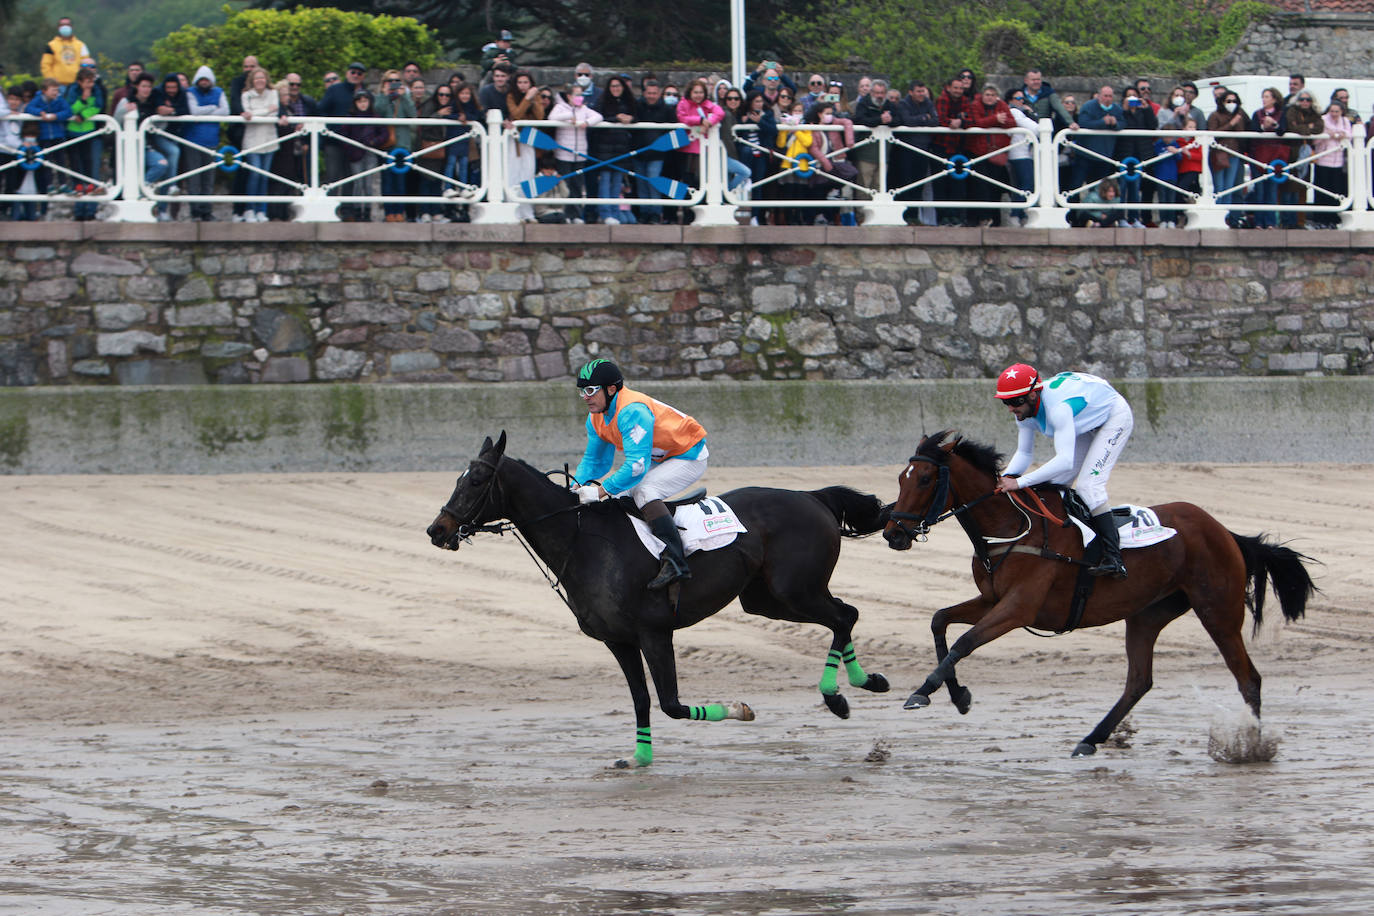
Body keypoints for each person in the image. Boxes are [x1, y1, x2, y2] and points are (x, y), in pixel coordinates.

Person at [570, 359, 709, 589]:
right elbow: (595, 461)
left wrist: (600, 491)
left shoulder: (631, 411)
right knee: (621, 496)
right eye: (582, 391)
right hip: (660, 457)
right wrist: (575, 485)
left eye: (591, 390)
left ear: (611, 389)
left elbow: (636, 466)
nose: (585, 396)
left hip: (688, 455)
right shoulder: (596, 417)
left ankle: (676, 561)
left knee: (644, 490)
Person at [994, 364, 1133, 579]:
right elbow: (1024, 453)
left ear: (1032, 395)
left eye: (1014, 402)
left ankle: (1114, 559)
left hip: (1113, 416)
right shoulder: (1023, 412)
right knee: (1052, 486)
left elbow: (1065, 461)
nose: (1011, 408)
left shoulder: (1058, 410)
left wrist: (1021, 483)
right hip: (1083, 421)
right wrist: (1007, 477)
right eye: (1006, 402)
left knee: (1089, 487)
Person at [548, 82, 603, 222]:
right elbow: (551, 117)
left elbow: (598, 116)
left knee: (577, 185)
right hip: (564, 153)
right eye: (577, 94)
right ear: (569, 96)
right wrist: (568, 116)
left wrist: (587, 122)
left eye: (581, 95)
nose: (580, 97)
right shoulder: (560, 107)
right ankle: (565, 214)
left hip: (580, 153)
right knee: (565, 185)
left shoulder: (584, 109)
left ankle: (577, 215)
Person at [591, 75, 637, 224]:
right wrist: (616, 119)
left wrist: (631, 119)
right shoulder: (602, 101)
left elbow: (637, 116)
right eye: (612, 86)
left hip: (621, 147)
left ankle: (615, 212)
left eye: (618, 86)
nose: (615, 89)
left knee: (617, 182)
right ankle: (605, 213)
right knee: (605, 180)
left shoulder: (629, 102)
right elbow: (598, 118)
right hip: (604, 147)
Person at [184, 65, 227, 221]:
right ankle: (195, 210)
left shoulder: (219, 92)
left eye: (206, 79)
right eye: (201, 79)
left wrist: (204, 110)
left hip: (211, 141)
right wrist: (212, 108)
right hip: (193, 140)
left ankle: (206, 211)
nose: (204, 82)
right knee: (194, 177)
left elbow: (225, 111)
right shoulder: (190, 92)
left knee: (208, 178)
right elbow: (193, 111)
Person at [374, 69, 416, 222]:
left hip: (402, 145)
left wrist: (404, 96)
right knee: (387, 181)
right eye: (389, 81)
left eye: (396, 80)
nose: (393, 84)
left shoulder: (404, 98)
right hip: (386, 144)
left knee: (400, 181)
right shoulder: (380, 98)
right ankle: (388, 212)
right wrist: (385, 95)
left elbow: (413, 115)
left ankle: (400, 211)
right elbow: (377, 111)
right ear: (384, 83)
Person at [238, 66, 279, 223]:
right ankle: (250, 209)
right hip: (252, 140)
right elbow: (248, 115)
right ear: (252, 81)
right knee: (254, 174)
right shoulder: (246, 95)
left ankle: (262, 210)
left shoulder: (273, 93)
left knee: (264, 176)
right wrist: (265, 110)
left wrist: (255, 113)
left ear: (266, 79)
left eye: (262, 78)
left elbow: (274, 112)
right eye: (257, 78)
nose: (260, 81)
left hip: (269, 139)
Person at [63, 66, 105, 215]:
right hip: (73, 133)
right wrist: (83, 100)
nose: (90, 85)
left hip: (88, 132)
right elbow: (70, 108)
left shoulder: (97, 90)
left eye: (91, 82)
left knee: (88, 168)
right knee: (76, 169)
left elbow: (98, 107)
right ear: (80, 82)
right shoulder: (72, 91)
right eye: (87, 82)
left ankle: (90, 208)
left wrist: (84, 115)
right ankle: (79, 209)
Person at [1248, 87, 1289, 229]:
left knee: (1271, 190)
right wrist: (1262, 126)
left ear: (1274, 99)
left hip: (1275, 156)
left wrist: (1274, 124)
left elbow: (1282, 131)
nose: (1264, 99)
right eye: (1263, 96)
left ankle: (1271, 222)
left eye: (1267, 97)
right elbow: (1253, 130)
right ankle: (1259, 222)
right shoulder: (1257, 114)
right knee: (1259, 190)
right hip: (1258, 155)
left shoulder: (1281, 114)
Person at [1206, 89, 1248, 226]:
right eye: (1228, 101)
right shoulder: (1214, 115)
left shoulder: (1241, 115)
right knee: (1220, 188)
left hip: (1234, 154)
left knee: (1229, 188)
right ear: (1222, 102)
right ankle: (1217, 217)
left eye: (1234, 101)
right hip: (1219, 154)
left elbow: (1245, 132)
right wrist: (1231, 124)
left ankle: (1227, 219)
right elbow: (1213, 134)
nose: (1231, 104)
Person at [851, 78, 897, 200]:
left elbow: (901, 119)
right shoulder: (863, 104)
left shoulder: (890, 105)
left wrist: (891, 120)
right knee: (864, 186)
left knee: (880, 186)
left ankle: (878, 214)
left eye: (882, 93)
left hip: (884, 154)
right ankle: (862, 216)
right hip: (865, 153)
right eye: (877, 93)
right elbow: (860, 120)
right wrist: (879, 120)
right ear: (871, 93)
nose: (879, 96)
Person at [1311, 99, 1351, 229]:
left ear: (1341, 112)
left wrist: (1340, 134)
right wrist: (1327, 135)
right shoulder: (1322, 120)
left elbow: (1350, 136)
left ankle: (1333, 219)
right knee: (1323, 190)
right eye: (1332, 111)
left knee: (1336, 192)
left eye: (1337, 112)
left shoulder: (1345, 121)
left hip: (1338, 161)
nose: (1334, 114)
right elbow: (1315, 139)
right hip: (1323, 159)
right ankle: (1320, 219)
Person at [41, 16, 89, 87]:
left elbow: (86, 64)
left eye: (67, 25)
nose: (65, 27)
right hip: (58, 86)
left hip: (77, 85)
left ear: (71, 27)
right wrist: (51, 81)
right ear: (58, 28)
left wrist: (83, 81)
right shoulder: (51, 45)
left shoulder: (81, 45)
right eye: (62, 25)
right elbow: (45, 65)